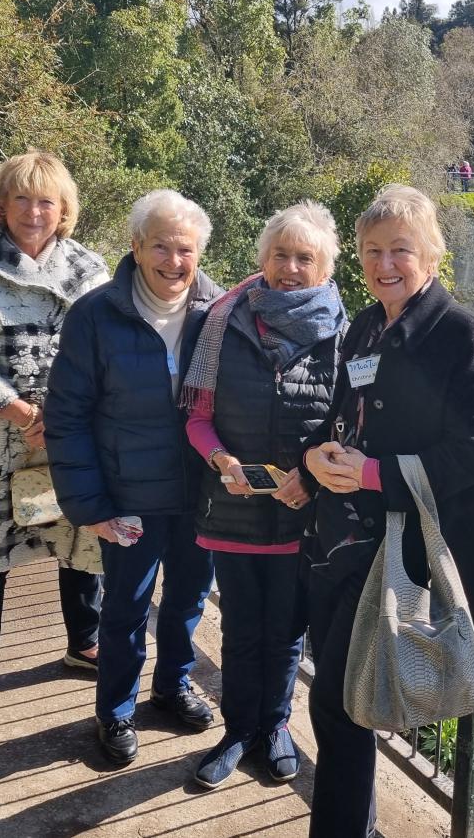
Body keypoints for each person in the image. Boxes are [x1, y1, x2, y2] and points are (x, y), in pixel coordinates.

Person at [300, 184, 474, 837]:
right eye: (372, 252)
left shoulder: (460, 334)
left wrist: (374, 474)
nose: (385, 265)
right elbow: (344, 410)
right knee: (344, 701)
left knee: (338, 705)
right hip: (339, 540)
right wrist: (325, 456)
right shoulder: (362, 324)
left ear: (432, 255)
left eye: (400, 251)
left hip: (396, 550)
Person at [0, 151, 109, 729]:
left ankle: (85, 642)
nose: (34, 212)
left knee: (82, 538)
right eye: (23, 198)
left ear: (65, 211)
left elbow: (107, 351)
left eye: (47, 201)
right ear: (1, 204)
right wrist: (13, 406)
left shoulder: (87, 269)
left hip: (67, 432)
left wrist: (60, 412)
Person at [45, 189, 224, 766]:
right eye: (162, 247)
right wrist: (89, 504)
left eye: (186, 250)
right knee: (125, 606)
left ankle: (172, 685)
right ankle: (115, 710)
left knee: (190, 598)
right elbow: (67, 416)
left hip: (200, 494)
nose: (174, 262)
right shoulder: (96, 315)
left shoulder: (216, 312)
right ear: (136, 247)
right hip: (128, 495)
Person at [181, 201, 346, 788]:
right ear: (263, 258)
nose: (291, 268)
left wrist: (313, 474)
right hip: (231, 509)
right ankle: (238, 731)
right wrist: (221, 459)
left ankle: (275, 727)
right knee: (241, 628)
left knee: (285, 633)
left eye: (306, 258)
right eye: (280, 255)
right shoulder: (223, 322)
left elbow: (344, 425)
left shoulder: (341, 334)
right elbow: (198, 417)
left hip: (302, 514)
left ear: (325, 267)